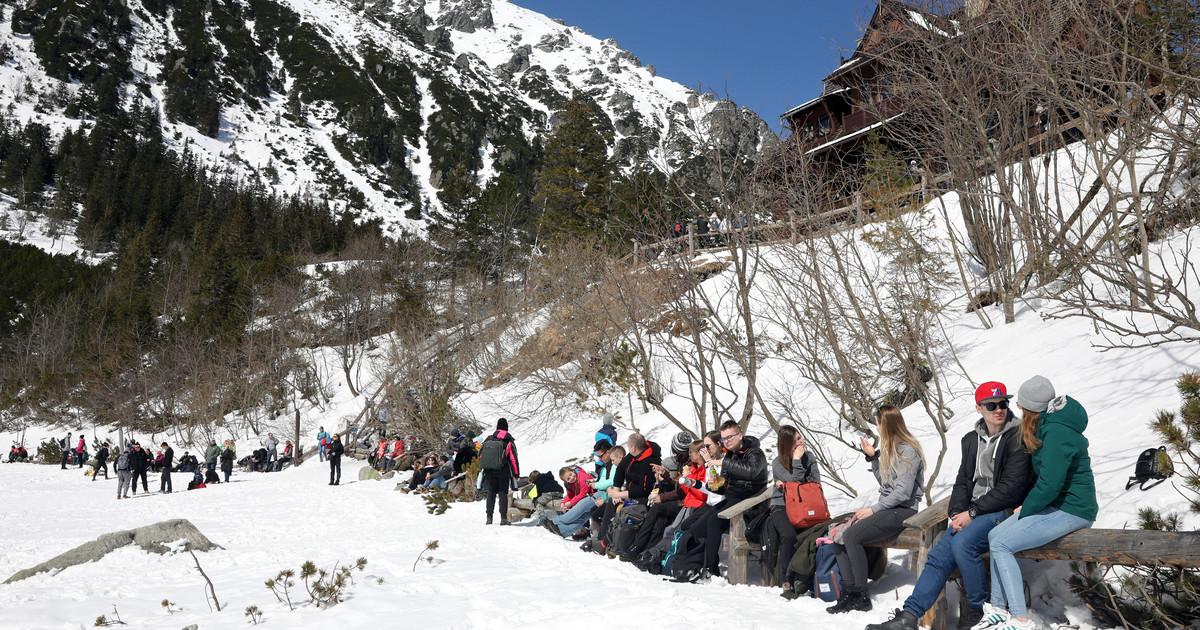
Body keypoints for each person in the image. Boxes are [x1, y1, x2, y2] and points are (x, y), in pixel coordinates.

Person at [868, 382, 1032, 630]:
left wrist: (973, 513)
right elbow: (962, 482)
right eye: (992, 405)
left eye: (1003, 403)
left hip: (1004, 510)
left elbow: (1012, 488)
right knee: (938, 556)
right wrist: (957, 512)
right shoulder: (971, 440)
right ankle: (909, 617)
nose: (999, 409)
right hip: (972, 511)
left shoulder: (1018, 438)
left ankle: (977, 611)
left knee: (963, 543)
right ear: (979, 409)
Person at [972, 377, 1096, 630]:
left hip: (1072, 509)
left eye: (1021, 406)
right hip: (1056, 505)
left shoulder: (1057, 432)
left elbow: (1050, 484)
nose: (1017, 410)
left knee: (1003, 545)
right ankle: (997, 608)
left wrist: (1027, 507)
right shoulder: (1049, 424)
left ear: (1032, 408)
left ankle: (1019, 619)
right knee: (996, 535)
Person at [827, 405, 926, 614]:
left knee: (852, 535)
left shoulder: (908, 450)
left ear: (886, 424)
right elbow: (887, 484)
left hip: (904, 510)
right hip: (889, 509)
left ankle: (861, 595)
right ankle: (849, 591)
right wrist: (873, 458)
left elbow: (903, 493)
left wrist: (873, 509)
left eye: (878, 422)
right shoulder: (891, 449)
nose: (876, 426)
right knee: (838, 532)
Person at [688, 421, 768, 579]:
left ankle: (712, 569)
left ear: (740, 436)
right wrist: (714, 485)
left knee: (713, 522)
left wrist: (723, 462)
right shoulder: (730, 455)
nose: (727, 441)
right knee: (697, 527)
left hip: (751, 502)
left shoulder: (755, 453)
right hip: (733, 499)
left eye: (730, 437)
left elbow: (751, 471)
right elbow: (724, 485)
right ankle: (697, 564)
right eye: (724, 438)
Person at [766, 426, 821, 589]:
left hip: (806, 504)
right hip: (781, 505)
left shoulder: (809, 457)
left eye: (800, 437)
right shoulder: (777, 463)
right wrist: (797, 461)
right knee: (789, 535)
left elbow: (815, 481)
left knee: (814, 532)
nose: (801, 441)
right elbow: (797, 482)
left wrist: (793, 484)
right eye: (796, 439)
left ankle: (809, 576)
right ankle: (787, 577)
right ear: (787, 444)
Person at [552, 446, 624, 540]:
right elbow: (570, 494)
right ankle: (563, 530)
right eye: (568, 479)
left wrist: (595, 485)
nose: (600, 459)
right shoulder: (605, 466)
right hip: (601, 493)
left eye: (601, 456)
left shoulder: (613, 465)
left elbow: (612, 482)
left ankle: (554, 522)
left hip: (601, 494)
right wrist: (564, 502)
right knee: (584, 516)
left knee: (580, 508)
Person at [480, 418, 520, 525]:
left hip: (489, 471)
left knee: (491, 493)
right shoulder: (508, 441)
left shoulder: (489, 439)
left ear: (497, 428)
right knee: (503, 493)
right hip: (503, 472)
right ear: (507, 427)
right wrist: (516, 474)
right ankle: (503, 518)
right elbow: (513, 459)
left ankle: (489, 517)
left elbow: (481, 455)